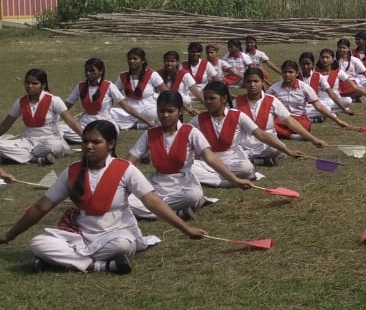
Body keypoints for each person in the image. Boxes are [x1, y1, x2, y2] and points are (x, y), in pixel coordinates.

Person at [0, 120, 207, 274]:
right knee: (38, 243)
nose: (88, 146)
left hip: (116, 233)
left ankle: (59, 262)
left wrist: (186, 229)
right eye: (85, 141)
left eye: (96, 142)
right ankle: (100, 266)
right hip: (81, 234)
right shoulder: (72, 171)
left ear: (111, 144)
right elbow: (42, 207)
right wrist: (10, 235)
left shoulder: (125, 169)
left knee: (122, 246)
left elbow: (152, 202)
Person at [128, 92, 254, 220]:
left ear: (180, 111)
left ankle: (155, 209)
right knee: (126, 201)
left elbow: (210, 158)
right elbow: (129, 161)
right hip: (156, 185)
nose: (165, 115)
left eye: (170, 111)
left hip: (184, 186)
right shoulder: (150, 134)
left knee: (193, 195)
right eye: (161, 111)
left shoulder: (190, 132)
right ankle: (175, 213)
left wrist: (234, 180)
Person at [191, 82, 300, 187]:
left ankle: (215, 179)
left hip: (233, 161)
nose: (208, 102)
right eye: (206, 98)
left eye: (212, 98)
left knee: (246, 168)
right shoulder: (197, 120)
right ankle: (226, 182)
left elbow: (260, 134)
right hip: (208, 163)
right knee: (191, 167)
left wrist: (287, 151)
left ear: (223, 98)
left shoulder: (238, 116)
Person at [0, 68, 84, 165]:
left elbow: (70, 121)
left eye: (34, 83)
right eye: (27, 83)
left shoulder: (54, 100)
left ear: (43, 85)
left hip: (51, 140)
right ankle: (36, 159)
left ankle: (16, 157)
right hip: (29, 141)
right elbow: (5, 124)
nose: (30, 86)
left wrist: (86, 140)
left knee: (53, 147)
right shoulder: (20, 102)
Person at [235, 68, 328, 159]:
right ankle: (254, 159)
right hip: (244, 143)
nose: (252, 85)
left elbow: (290, 122)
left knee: (275, 147)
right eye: (249, 82)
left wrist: (313, 139)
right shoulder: (236, 103)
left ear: (263, 82)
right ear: (244, 83)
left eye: (256, 81)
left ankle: (246, 156)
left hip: (267, 143)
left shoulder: (272, 100)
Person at [62, 57, 156, 141]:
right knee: (61, 130)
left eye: (91, 71)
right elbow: (66, 106)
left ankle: (89, 138)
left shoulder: (109, 86)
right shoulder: (80, 86)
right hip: (85, 122)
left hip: (104, 122)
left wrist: (148, 122)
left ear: (100, 71)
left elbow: (127, 107)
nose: (88, 73)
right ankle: (91, 139)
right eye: (86, 70)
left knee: (107, 132)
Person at [267, 60, 353, 132]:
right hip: (283, 119)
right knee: (271, 123)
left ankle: (288, 133)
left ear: (296, 73)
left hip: (299, 118)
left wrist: (338, 121)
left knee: (304, 125)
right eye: (284, 72)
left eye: (290, 72)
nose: (287, 75)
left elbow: (319, 106)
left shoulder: (304, 87)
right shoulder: (274, 88)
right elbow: (264, 103)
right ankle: (295, 135)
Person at [111, 48, 165, 130]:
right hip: (129, 110)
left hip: (148, 108)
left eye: (135, 59)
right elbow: (114, 95)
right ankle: (140, 125)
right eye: (129, 59)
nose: (131, 61)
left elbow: (166, 92)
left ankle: (133, 124)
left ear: (142, 61)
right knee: (111, 113)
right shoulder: (123, 76)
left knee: (152, 113)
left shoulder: (152, 74)